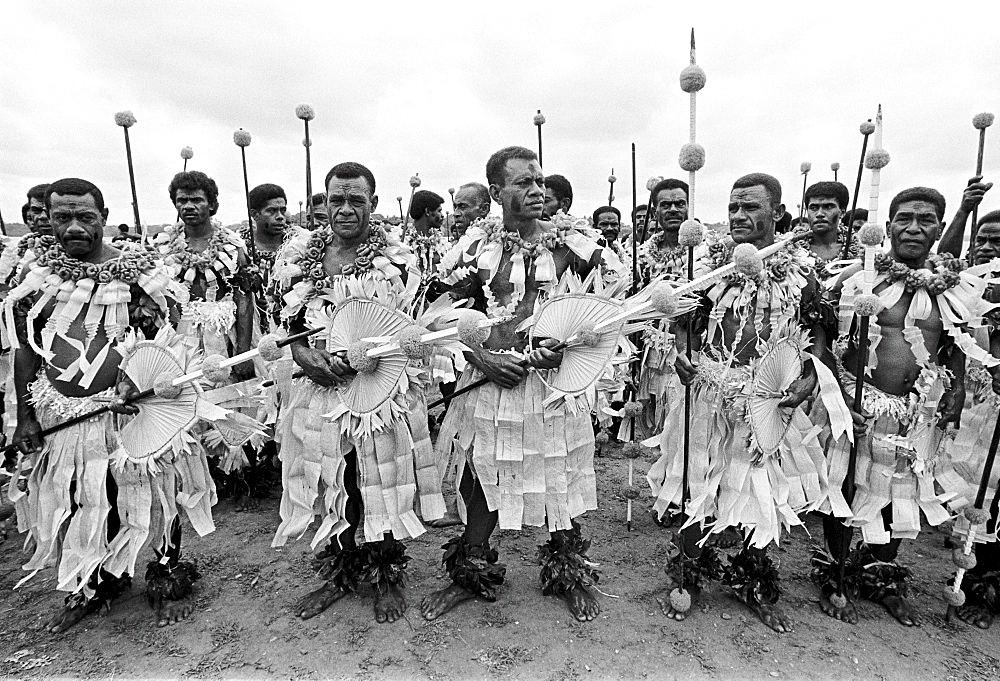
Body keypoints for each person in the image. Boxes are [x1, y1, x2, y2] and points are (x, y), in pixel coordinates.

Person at [2, 177, 214, 631]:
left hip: (135, 410)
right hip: (65, 413)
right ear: (48, 218)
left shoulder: (139, 274)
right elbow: (24, 349)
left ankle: (166, 575)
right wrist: (25, 416)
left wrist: (138, 385)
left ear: (103, 215)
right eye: (62, 217)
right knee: (84, 500)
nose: (73, 226)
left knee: (156, 496)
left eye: (85, 216)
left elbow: (166, 339)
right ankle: (95, 583)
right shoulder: (35, 277)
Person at [423, 146, 610, 623]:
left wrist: (564, 346)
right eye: (523, 182)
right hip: (486, 379)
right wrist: (482, 358)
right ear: (495, 192)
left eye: (540, 181)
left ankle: (568, 571)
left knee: (559, 473)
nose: (537, 190)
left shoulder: (574, 244)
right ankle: (469, 572)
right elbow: (435, 315)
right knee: (479, 476)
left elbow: (607, 311)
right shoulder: (470, 248)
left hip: (551, 383)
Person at [652, 173, 836, 632]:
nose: (738, 216)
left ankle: (754, 580)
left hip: (770, 401)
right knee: (698, 482)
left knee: (760, 490)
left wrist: (808, 380)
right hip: (710, 394)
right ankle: (688, 575)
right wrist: (679, 354)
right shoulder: (710, 267)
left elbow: (819, 343)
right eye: (733, 207)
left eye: (751, 208)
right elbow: (685, 325)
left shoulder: (804, 274)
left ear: (777, 213)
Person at [271, 161, 441, 624]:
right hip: (319, 388)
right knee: (334, 479)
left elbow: (413, 329)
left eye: (356, 201)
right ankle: (343, 569)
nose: (344, 210)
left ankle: (386, 572)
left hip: (379, 390)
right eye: (335, 200)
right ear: (323, 203)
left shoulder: (400, 260)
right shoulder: (298, 257)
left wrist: (369, 358)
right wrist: (304, 355)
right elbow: (287, 328)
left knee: (381, 480)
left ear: (375, 204)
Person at [815, 187, 984, 627]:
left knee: (898, 493)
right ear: (886, 227)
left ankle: (881, 577)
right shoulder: (858, 279)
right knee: (846, 486)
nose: (913, 228)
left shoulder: (953, 288)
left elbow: (955, 344)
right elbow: (823, 335)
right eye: (904, 218)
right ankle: (834, 573)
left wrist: (958, 388)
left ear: (940, 228)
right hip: (859, 400)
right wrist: (836, 395)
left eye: (926, 220)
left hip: (916, 409)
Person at [155, 172, 255, 488]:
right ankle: (199, 471)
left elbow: (244, 301)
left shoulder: (233, 248)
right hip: (182, 334)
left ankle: (237, 471)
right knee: (187, 395)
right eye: (182, 200)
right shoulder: (163, 248)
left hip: (224, 332)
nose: (189, 206)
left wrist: (242, 352)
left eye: (196, 199)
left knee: (230, 393)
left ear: (212, 204)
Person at [947, 207, 1000, 629]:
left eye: (997, 241)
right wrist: (964, 211)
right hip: (979, 404)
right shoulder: (966, 286)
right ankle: (975, 581)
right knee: (977, 489)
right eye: (981, 239)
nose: (986, 247)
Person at [802, 181, 859, 279]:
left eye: (828, 207)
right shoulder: (791, 252)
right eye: (814, 207)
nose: (819, 214)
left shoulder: (860, 252)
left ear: (842, 212)